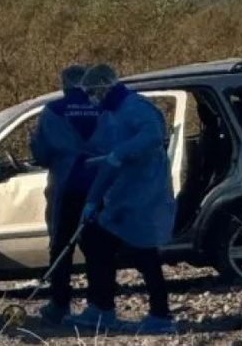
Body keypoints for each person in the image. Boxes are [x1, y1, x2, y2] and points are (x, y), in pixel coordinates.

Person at [65, 63, 178, 335]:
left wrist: (121, 153)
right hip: (120, 196)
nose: (92, 96)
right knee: (95, 243)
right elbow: (106, 157)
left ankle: (159, 315)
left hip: (145, 194)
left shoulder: (137, 107)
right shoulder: (109, 114)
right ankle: (101, 307)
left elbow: (152, 136)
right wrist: (92, 200)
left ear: (106, 83)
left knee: (145, 252)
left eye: (93, 90)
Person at [28, 64, 106, 324]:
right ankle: (100, 304)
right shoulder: (101, 107)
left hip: (65, 183)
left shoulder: (53, 111)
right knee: (96, 247)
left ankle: (59, 304)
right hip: (97, 183)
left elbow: (41, 152)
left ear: (64, 84)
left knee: (60, 244)